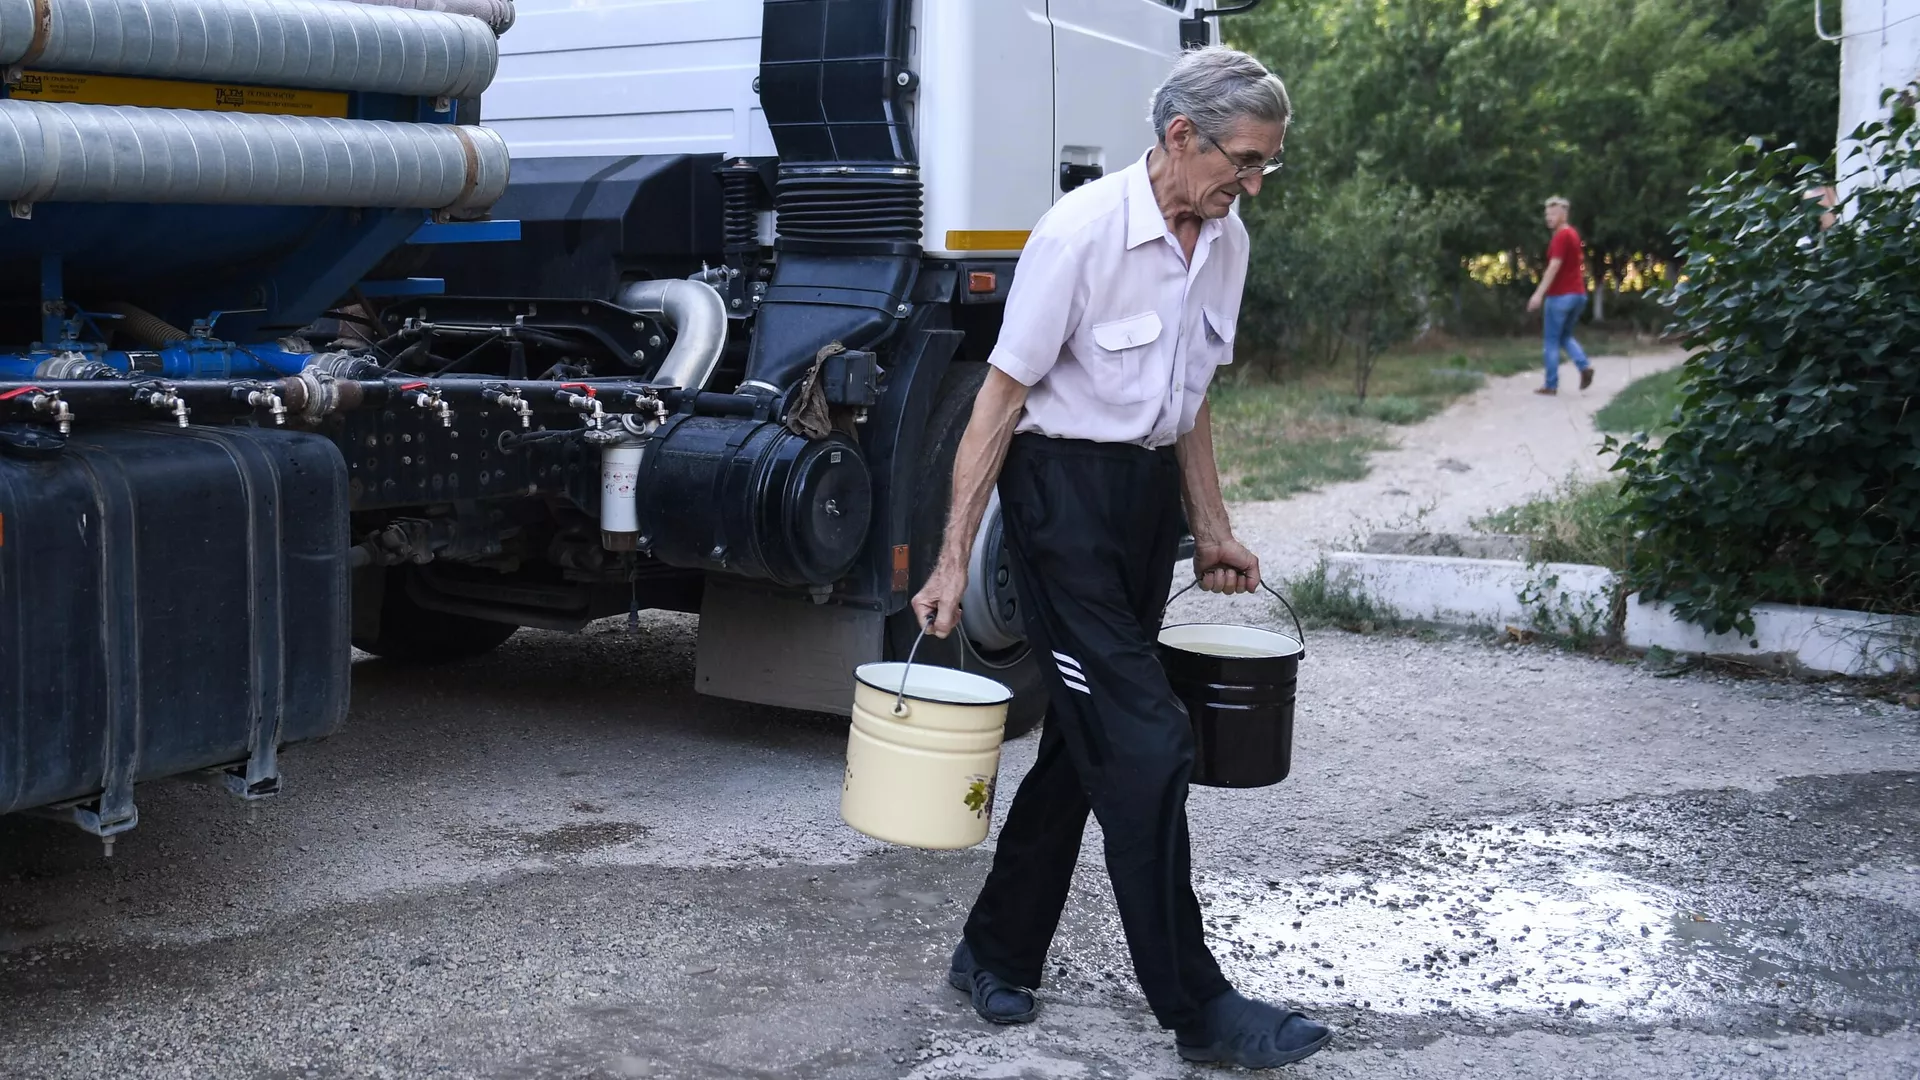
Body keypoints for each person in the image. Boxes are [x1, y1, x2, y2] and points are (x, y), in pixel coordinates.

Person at [909, 46, 1332, 1070]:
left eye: (1268, 166)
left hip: (1143, 509)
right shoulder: (1082, 234)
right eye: (1244, 162)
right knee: (1148, 743)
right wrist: (952, 561)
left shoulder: (1223, 238)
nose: (1253, 185)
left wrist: (1214, 525)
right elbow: (996, 406)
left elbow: (1189, 402)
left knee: (1086, 738)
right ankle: (1199, 1008)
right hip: (1061, 505)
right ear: (1181, 137)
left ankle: (994, 950)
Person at [1525, 196, 1592, 395]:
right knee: (1565, 336)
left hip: (1560, 296)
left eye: (1553, 214)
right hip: (1578, 295)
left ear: (1564, 215)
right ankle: (1584, 367)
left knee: (1551, 341)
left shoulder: (1561, 237)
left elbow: (1554, 265)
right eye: (1547, 214)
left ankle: (1550, 384)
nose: (1549, 218)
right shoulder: (1573, 234)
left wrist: (1538, 294)